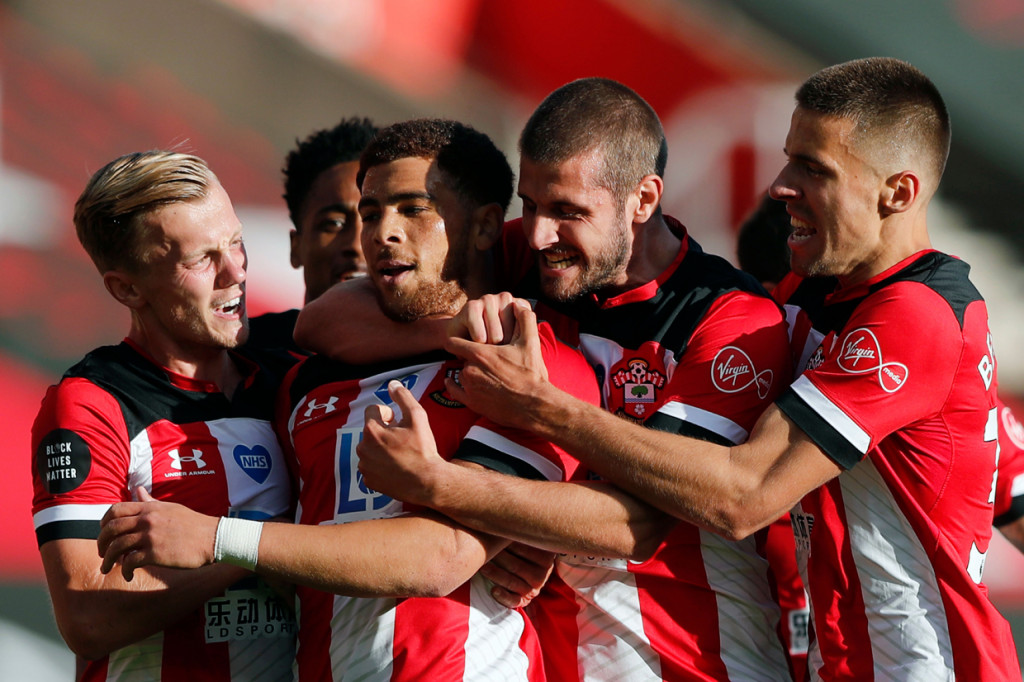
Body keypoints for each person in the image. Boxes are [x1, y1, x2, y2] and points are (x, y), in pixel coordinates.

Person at [424, 58, 1021, 679]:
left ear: (897, 192)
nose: (779, 184)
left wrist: (537, 414)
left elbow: (741, 496)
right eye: (789, 158)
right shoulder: (809, 295)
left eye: (813, 169)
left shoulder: (918, 317)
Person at [97, 120, 660, 681]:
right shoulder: (307, 378)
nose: (379, 233)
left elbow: (439, 558)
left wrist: (218, 538)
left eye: (414, 209)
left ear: (487, 225)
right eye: (371, 213)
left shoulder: (534, 366)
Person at [336, 79, 797, 680]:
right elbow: (327, 318)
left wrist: (462, 477)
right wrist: (461, 324)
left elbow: (643, 521)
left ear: (643, 198)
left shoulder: (733, 319)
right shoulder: (532, 263)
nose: (538, 233)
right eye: (529, 204)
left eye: (568, 212)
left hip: (694, 663)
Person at [30, 150, 296, 681]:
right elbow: (87, 615)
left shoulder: (289, 374)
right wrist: (249, 546)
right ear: (127, 288)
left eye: (236, 242)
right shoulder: (92, 400)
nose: (236, 271)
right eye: (201, 259)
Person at [247, 116, 378, 350]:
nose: (356, 246)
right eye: (334, 224)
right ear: (296, 247)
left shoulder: (444, 366)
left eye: (373, 220)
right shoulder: (240, 359)